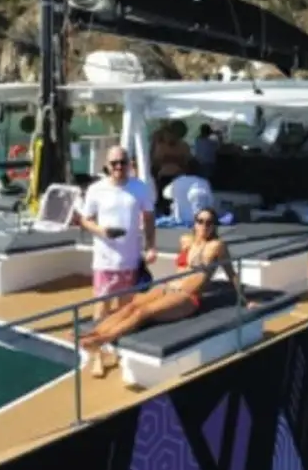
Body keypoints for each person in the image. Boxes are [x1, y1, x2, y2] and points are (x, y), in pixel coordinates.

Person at [79, 208, 244, 364]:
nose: (204, 226)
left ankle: (101, 340)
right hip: (167, 288)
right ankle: (94, 333)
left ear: (214, 225)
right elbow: (182, 268)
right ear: (195, 223)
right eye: (200, 221)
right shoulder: (186, 241)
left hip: (187, 297)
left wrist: (244, 299)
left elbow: (231, 273)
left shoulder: (217, 246)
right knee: (131, 306)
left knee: (142, 312)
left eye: (209, 222)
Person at [76, 144, 157, 341]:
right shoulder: (96, 189)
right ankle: (97, 350)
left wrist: (151, 246)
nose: (119, 167)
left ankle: (116, 344)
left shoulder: (139, 187)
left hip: (130, 258)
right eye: (114, 163)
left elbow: (148, 217)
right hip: (105, 259)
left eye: (123, 162)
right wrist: (102, 231)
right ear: (107, 165)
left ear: (130, 164)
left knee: (125, 308)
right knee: (101, 307)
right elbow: (85, 219)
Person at [163, 159, 215, 225]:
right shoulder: (203, 182)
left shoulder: (177, 181)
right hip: (199, 221)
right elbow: (210, 203)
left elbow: (165, 194)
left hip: (179, 219)